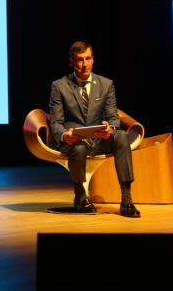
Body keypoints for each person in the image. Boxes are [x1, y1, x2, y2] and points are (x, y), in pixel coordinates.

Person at [49, 41, 140, 217]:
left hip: (98, 140)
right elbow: (56, 122)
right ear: (71, 62)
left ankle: (127, 199)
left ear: (93, 59)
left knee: (121, 136)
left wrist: (110, 128)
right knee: (79, 147)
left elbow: (113, 117)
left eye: (88, 58)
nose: (85, 64)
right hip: (73, 141)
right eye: (80, 60)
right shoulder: (59, 86)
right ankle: (80, 197)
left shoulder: (105, 84)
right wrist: (65, 135)